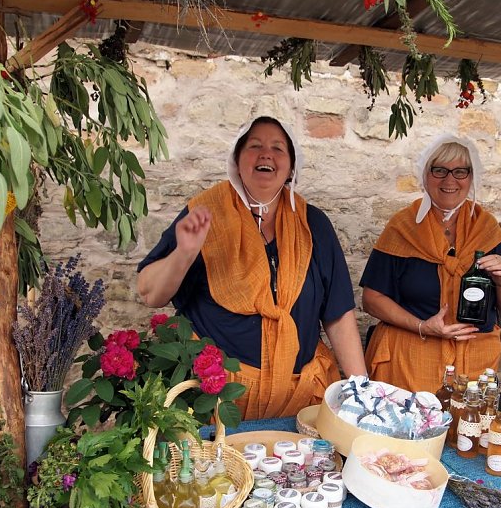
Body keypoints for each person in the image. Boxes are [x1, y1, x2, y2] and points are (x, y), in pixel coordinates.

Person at [137, 116, 367, 419]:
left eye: (278, 148)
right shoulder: (205, 214)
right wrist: (185, 252)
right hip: (217, 402)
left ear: (290, 166)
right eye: (254, 146)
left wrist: (362, 395)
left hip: (299, 402)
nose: (266, 154)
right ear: (237, 159)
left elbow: (337, 315)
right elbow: (150, 293)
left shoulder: (313, 225)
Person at [360, 133, 501, 393]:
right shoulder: (403, 227)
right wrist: (424, 326)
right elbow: (372, 298)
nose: (450, 180)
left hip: (474, 365)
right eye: (439, 170)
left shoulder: (486, 229)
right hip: (410, 362)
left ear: (471, 177)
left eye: (460, 172)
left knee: (468, 430)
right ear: (425, 175)